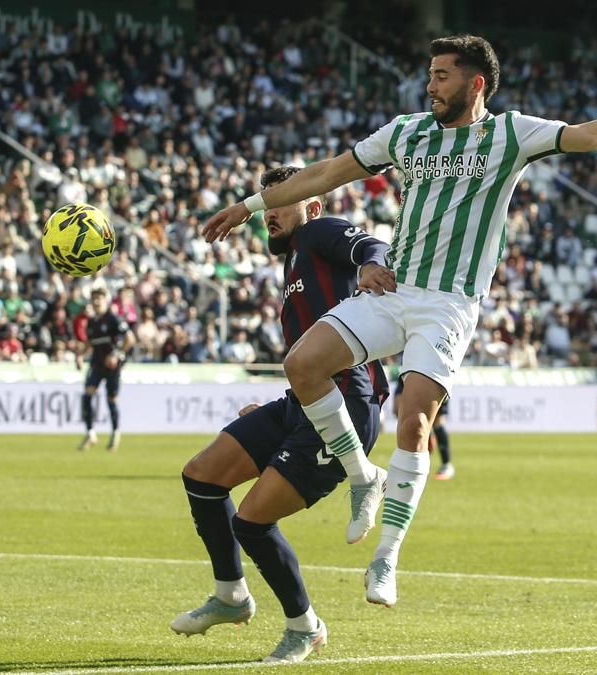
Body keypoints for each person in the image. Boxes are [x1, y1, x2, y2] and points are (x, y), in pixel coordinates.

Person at [204, 34, 597, 607]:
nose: (430, 85)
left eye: (442, 75)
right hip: (395, 287)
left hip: (448, 303)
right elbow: (328, 173)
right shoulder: (406, 132)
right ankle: (363, 477)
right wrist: (248, 206)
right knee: (303, 364)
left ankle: (386, 557)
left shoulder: (511, 134)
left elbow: (591, 135)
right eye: (430, 74)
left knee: (414, 421)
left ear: (476, 82)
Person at [172, 166, 390, 664]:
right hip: (302, 402)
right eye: (265, 203)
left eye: (281, 201)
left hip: (347, 404)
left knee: (252, 521)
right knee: (202, 476)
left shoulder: (318, 231)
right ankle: (230, 595)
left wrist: (370, 267)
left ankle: (304, 627)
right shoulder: (296, 259)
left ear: (311, 205)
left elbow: (370, 246)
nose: (269, 212)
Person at [77, 288, 133, 451]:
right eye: (93, 299)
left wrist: (117, 354)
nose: (96, 302)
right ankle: (90, 434)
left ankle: (115, 434)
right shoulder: (92, 322)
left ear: (105, 300)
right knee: (87, 395)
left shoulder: (113, 319)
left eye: (99, 299)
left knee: (111, 400)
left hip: (112, 366)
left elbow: (130, 339)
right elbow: (89, 343)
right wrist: (81, 355)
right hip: (96, 364)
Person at [394, 374, 452, 479]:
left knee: (437, 420)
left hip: (434, 373)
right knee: (397, 410)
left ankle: (446, 465)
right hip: (407, 371)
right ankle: (426, 438)